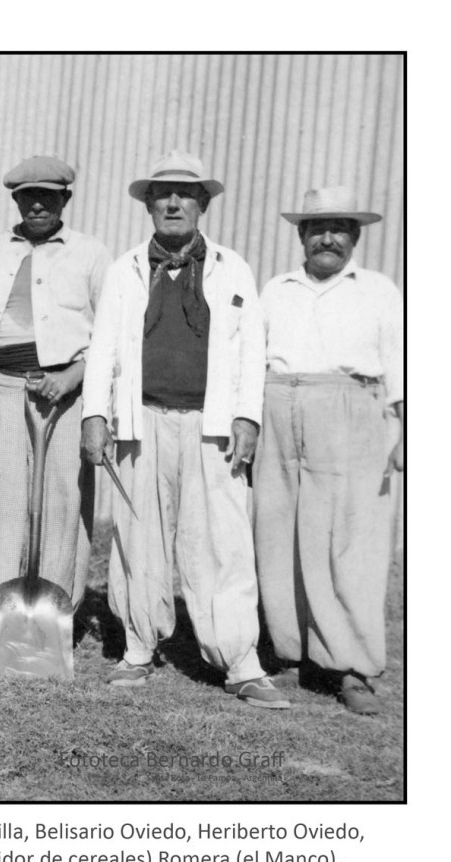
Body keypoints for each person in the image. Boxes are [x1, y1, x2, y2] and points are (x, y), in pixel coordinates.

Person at [80, 150, 288, 709]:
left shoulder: (232, 267)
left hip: (210, 426)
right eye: (163, 194)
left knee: (220, 540)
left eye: (186, 194)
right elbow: (102, 349)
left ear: (203, 204)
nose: (174, 202)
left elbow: (250, 352)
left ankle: (240, 660)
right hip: (140, 422)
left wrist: (246, 417)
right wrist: (94, 415)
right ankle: (139, 649)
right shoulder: (126, 268)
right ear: (149, 204)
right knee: (138, 534)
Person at [0, 157, 111, 633]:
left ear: (66, 200)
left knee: (62, 504)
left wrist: (75, 374)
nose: (37, 204)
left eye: (49, 196)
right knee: (0, 504)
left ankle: (51, 621)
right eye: (27, 196)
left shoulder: (90, 253)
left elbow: (111, 334)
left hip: (63, 392)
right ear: (15, 200)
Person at [254, 186, 404, 715]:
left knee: (350, 541)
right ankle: (297, 650)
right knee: (281, 532)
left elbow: (401, 361)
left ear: (355, 236)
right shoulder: (276, 289)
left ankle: (354, 667)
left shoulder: (379, 290)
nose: (328, 237)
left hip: (349, 409)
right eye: (317, 228)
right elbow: (253, 357)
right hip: (279, 404)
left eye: (339, 227)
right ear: (301, 236)